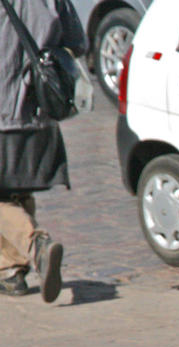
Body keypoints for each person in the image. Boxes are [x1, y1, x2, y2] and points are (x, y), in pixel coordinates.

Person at [0, 0, 86, 302]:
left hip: (3, 108)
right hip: (40, 106)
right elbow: (77, 42)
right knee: (15, 189)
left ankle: (37, 246)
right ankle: (12, 272)